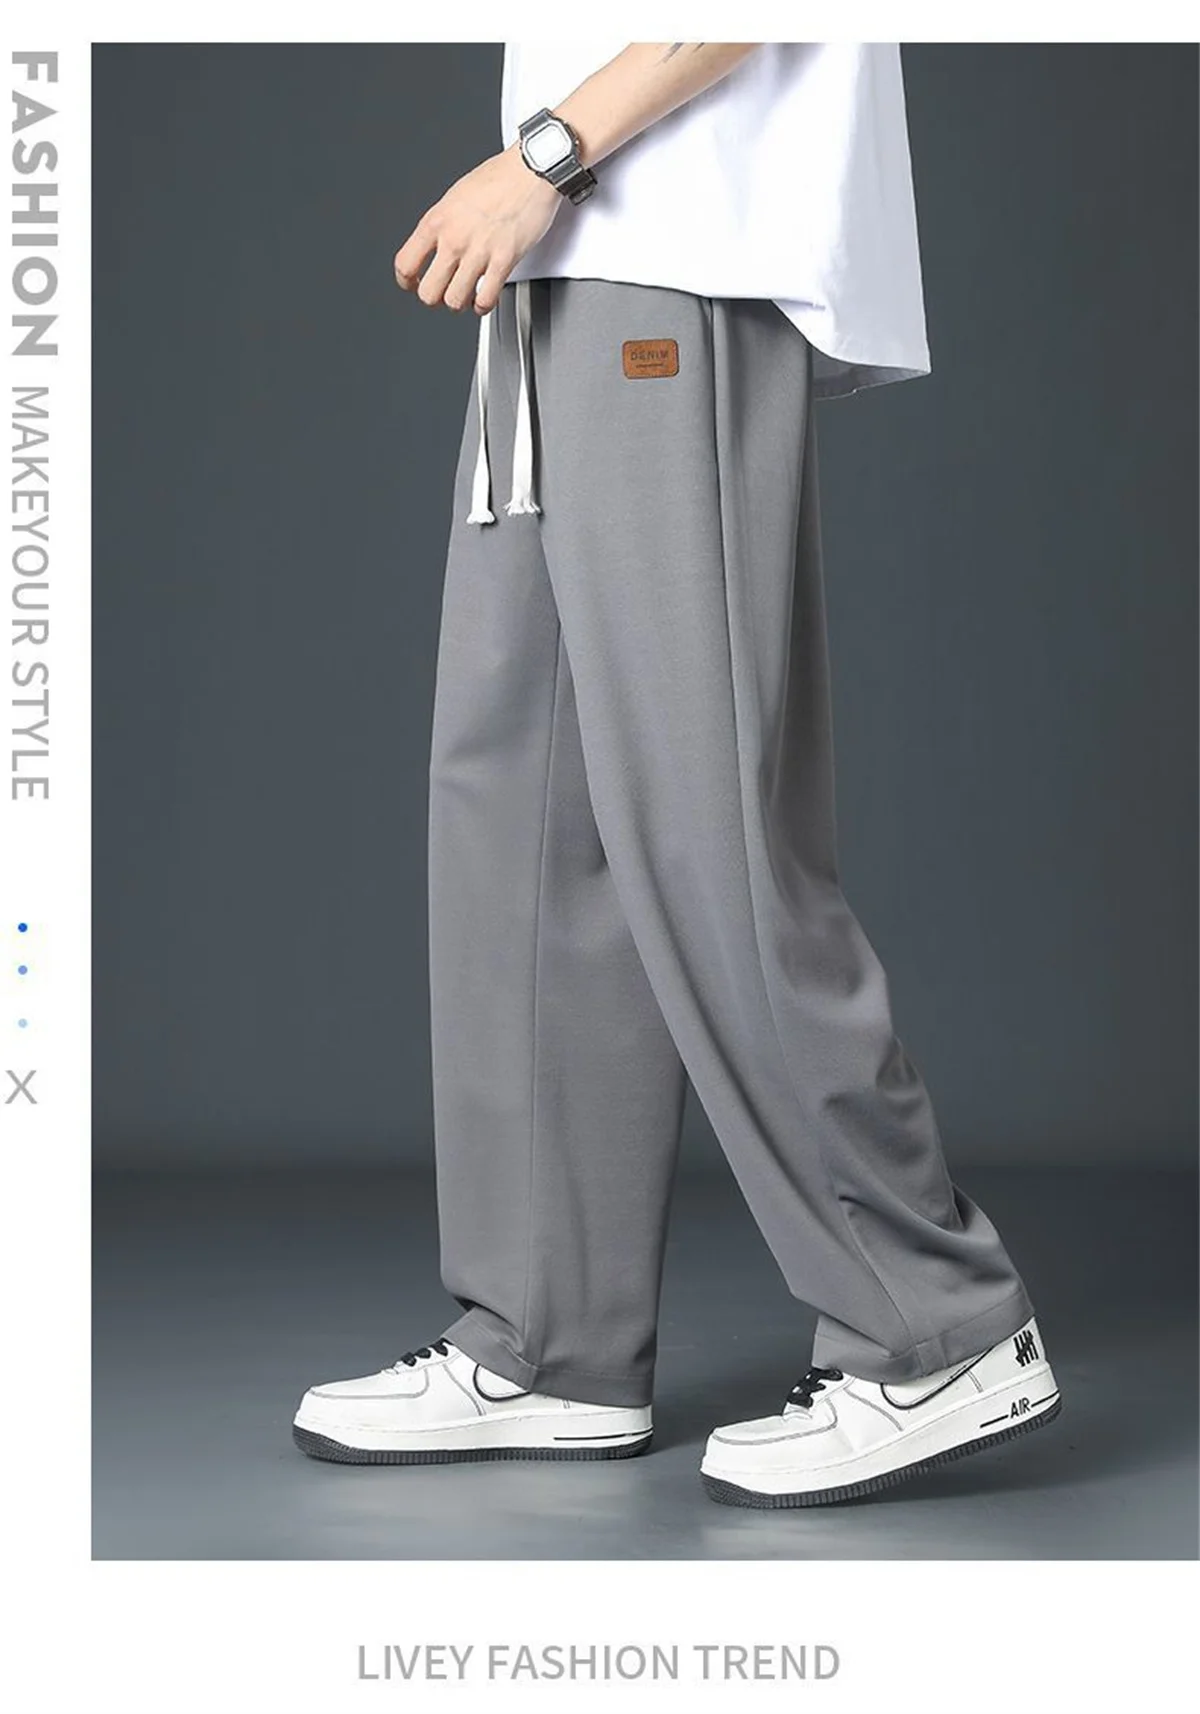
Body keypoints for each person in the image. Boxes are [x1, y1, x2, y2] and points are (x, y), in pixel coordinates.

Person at [292, 41, 1062, 1508]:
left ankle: (940, 1325)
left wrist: (544, 156)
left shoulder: (584, 181)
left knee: (706, 826)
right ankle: (550, 1343)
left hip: (671, 253)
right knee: (527, 811)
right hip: (571, 266)